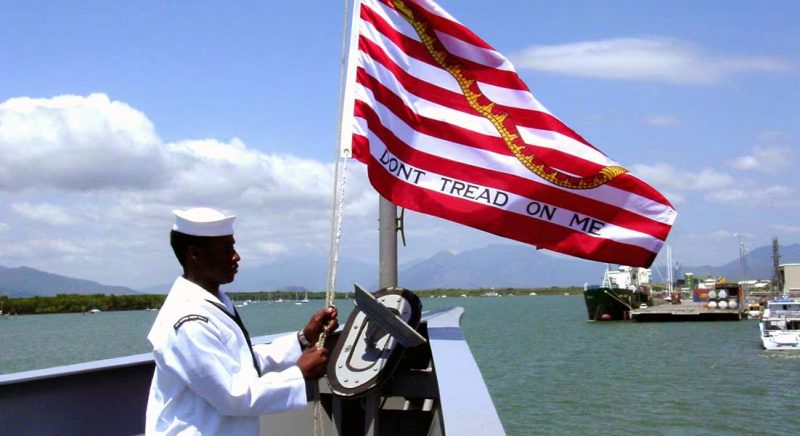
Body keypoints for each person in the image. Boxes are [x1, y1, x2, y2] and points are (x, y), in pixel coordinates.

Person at [145, 207, 338, 435]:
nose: (236, 256)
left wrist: (304, 339)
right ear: (194, 254)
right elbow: (233, 395)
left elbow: (243, 363)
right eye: (227, 249)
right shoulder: (188, 321)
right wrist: (299, 373)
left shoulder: (213, 302)